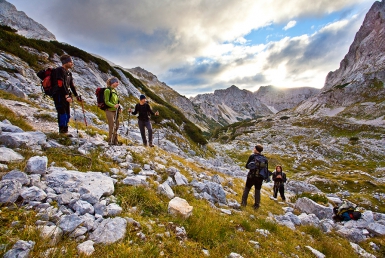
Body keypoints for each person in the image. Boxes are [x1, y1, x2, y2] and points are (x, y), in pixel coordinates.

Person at [51, 54, 81, 135]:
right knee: (62, 113)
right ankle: (62, 132)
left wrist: (76, 95)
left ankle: (65, 130)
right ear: (65, 62)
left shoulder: (68, 73)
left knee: (67, 113)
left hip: (66, 95)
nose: (72, 63)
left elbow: (71, 85)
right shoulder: (59, 70)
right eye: (70, 62)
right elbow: (60, 83)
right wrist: (66, 95)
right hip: (59, 95)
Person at [241, 144, 268, 209]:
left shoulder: (252, 156)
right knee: (257, 190)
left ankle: (243, 203)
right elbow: (265, 169)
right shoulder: (265, 159)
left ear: (256, 149)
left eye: (254, 148)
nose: (253, 149)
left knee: (247, 189)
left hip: (251, 176)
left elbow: (247, 166)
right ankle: (256, 205)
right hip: (260, 178)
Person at [104, 77, 121, 145]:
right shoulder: (107, 90)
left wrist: (119, 108)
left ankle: (115, 141)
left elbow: (117, 101)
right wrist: (113, 106)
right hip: (109, 111)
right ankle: (110, 140)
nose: (118, 84)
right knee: (112, 126)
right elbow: (106, 102)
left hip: (116, 111)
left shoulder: (115, 91)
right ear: (112, 83)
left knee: (116, 125)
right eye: (116, 82)